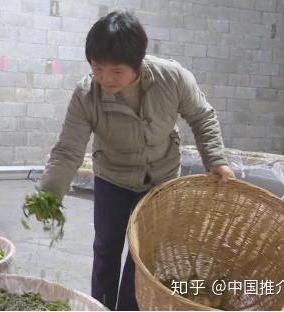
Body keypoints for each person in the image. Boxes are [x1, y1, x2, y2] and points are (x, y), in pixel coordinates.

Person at [37, 10, 235, 311]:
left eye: (116, 71)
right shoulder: (86, 94)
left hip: (161, 179)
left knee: (143, 256)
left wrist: (215, 159)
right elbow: (68, 149)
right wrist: (50, 194)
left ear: (137, 64)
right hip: (112, 177)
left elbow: (202, 116)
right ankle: (100, 305)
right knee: (106, 247)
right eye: (97, 68)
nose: (105, 79)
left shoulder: (172, 78)